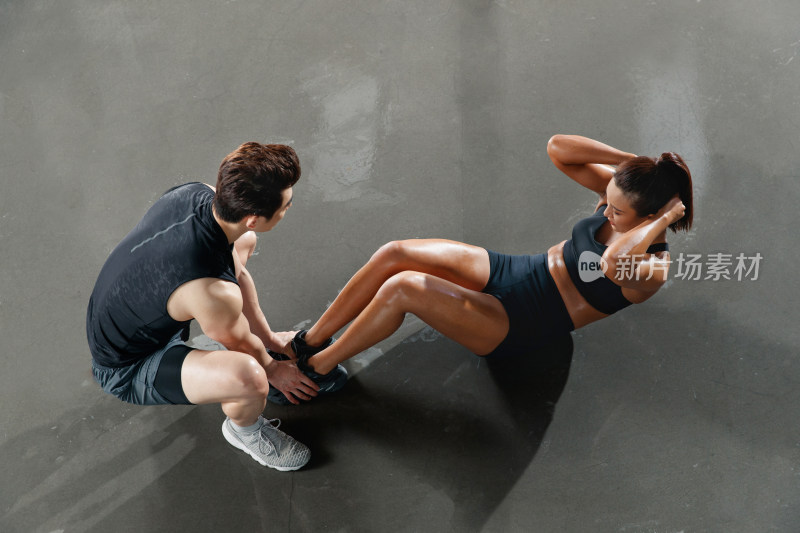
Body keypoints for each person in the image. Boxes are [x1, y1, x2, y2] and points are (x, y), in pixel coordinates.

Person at [269, 134, 692, 401]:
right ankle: (308, 341)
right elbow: (558, 149)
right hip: (519, 271)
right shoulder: (624, 202)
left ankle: (318, 371)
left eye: (618, 210)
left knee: (404, 288)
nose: (605, 208)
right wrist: (632, 163)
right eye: (609, 200)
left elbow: (616, 261)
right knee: (394, 252)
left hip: (520, 322)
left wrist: (665, 220)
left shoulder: (652, 269)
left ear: (650, 216)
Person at [86, 142, 346, 471]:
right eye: (286, 206)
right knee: (250, 378)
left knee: (242, 246)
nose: (288, 209)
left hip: (136, 312)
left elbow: (229, 294)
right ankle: (244, 432)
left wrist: (268, 338)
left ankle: (246, 350)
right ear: (253, 218)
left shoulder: (196, 193)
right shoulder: (212, 291)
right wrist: (273, 368)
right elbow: (237, 338)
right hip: (126, 366)